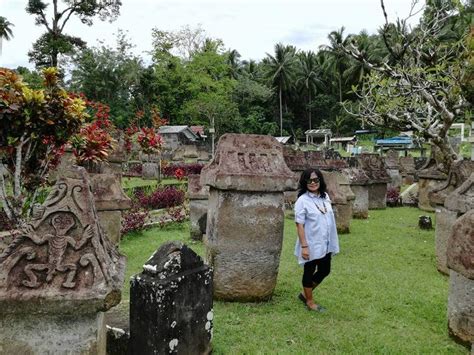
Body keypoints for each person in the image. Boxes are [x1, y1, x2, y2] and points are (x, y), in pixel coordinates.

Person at [294, 168, 339, 312]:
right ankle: (310, 301)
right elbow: (299, 224)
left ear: (320, 181)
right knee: (309, 270)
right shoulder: (302, 201)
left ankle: (304, 294)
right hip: (311, 242)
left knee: (325, 270)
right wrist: (304, 246)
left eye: (315, 180)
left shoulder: (325, 196)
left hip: (326, 241)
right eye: (309, 180)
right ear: (304, 182)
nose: (313, 183)